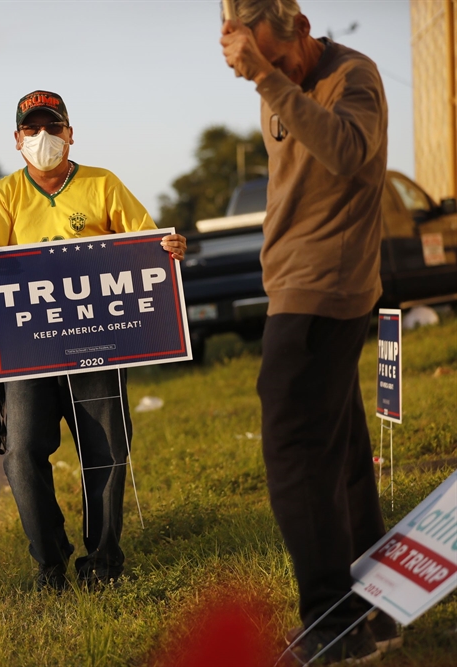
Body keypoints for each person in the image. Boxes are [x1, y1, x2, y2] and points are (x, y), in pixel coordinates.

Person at [220, 1, 397, 663]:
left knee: (293, 445)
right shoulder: (279, 80)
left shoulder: (355, 75)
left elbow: (349, 152)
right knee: (340, 449)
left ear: (297, 20)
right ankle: (374, 609)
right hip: (294, 283)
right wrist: (269, 73)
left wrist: (267, 76)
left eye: (281, 57)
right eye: (258, 60)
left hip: (328, 288)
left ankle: (332, 619)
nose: (277, 73)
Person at [0, 90, 186, 591]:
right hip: (30, 353)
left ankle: (104, 562)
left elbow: (147, 244)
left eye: (53, 127)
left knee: (105, 453)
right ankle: (49, 561)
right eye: (32, 129)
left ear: (70, 133)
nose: (43, 137)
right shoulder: (3, 194)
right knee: (20, 453)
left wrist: (169, 248)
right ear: (17, 139)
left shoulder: (103, 184)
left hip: (98, 346)